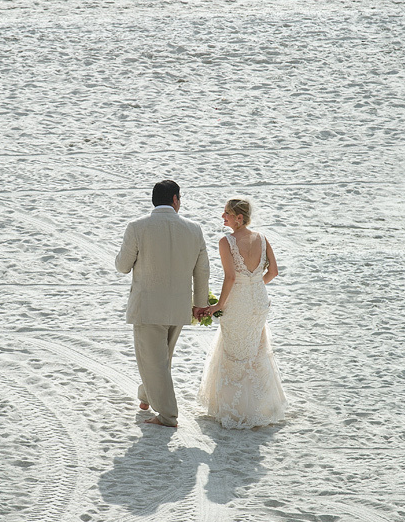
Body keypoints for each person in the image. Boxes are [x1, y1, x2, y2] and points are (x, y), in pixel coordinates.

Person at [115, 180, 210, 427]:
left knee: (154, 360)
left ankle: (168, 415)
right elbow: (202, 271)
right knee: (161, 359)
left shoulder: (137, 227)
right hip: (179, 306)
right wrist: (200, 303)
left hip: (147, 307)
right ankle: (146, 395)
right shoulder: (194, 229)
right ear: (175, 200)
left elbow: (122, 266)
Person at [196, 198, 287, 429]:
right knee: (256, 349)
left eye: (226, 213)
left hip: (238, 303)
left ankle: (236, 411)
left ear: (239, 217)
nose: (222, 216)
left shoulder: (226, 242)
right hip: (259, 301)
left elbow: (231, 278)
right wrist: (256, 285)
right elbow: (273, 272)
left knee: (234, 351)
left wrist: (218, 305)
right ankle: (260, 407)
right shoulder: (263, 239)